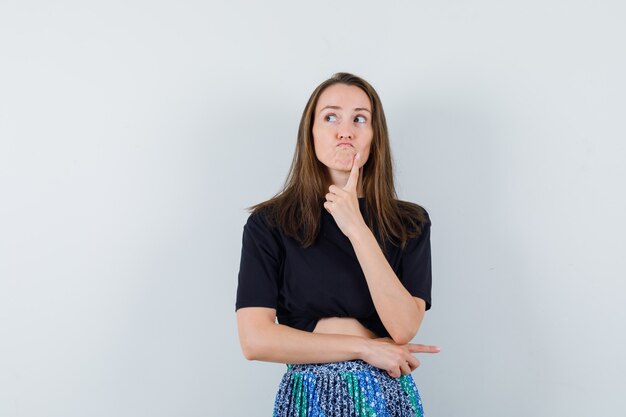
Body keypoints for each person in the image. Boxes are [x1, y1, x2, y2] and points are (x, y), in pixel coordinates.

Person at [235, 72, 440, 416]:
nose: (345, 131)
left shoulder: (409, 223)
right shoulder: (270, 223)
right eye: (331, 117)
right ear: (310, 132)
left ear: (375, 136)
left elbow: (403, 327)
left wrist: (356, 227)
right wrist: (365, 348)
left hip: (384, 395)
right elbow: (255, 341)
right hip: (310, 395)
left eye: (360, 118)